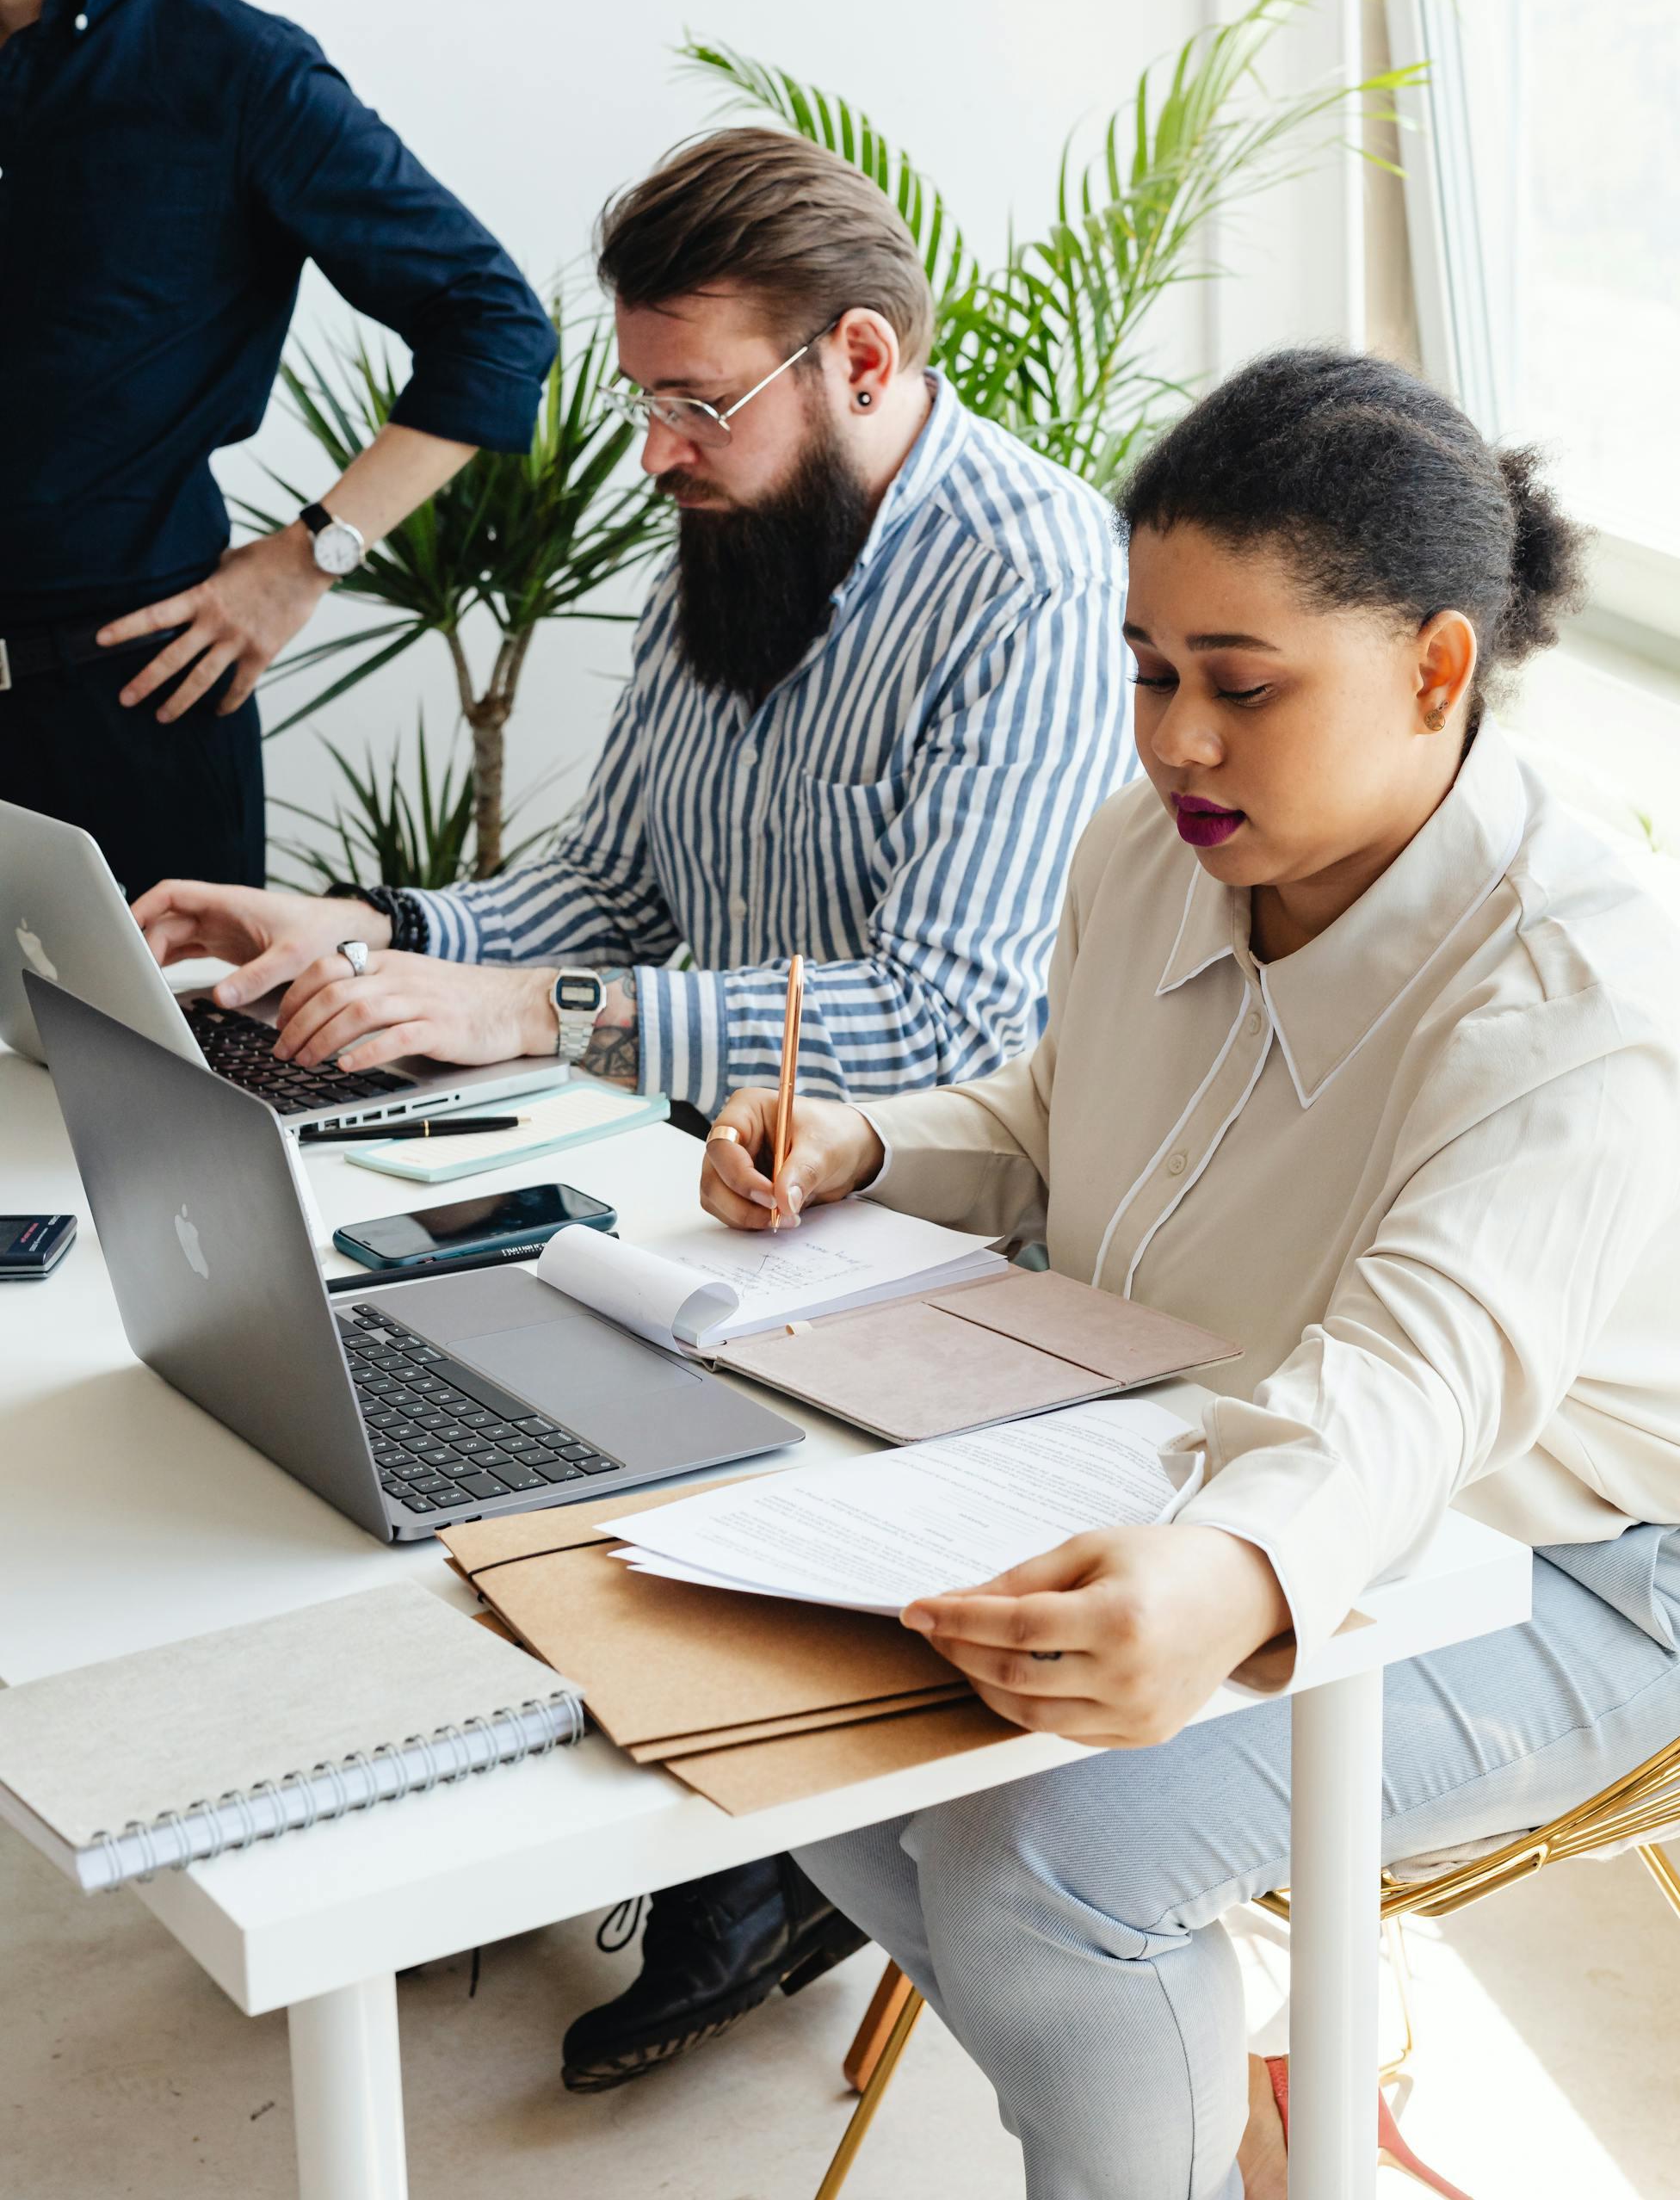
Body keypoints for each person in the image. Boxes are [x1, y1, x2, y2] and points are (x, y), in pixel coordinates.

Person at [695, 349, 1680, 2200]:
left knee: (1043, 1857)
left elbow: (1420, 1378)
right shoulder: (1149, 855)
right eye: (1149, 672)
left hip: (1607, 1565)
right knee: (791, 1723)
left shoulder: (1575, 991)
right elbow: (1058, 1118)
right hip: (1214, 1460)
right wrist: (866, 1145)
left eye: (1242, 686)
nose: (1176, 745)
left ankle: (1207, 2143)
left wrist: (1231, 1575)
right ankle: (1238, 2120)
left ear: (1438, 671)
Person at [133, 126, 1138, 2072]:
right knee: (352, 1327)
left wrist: (530, 1013)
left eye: (699, 404)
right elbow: (610, 884)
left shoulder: (1031, 586)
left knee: (455, 1354)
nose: (658, 454)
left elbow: (945, 1016)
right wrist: (375, 929)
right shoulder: (737, 537)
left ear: (861, 361)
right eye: (648, 401)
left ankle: (764, 1839)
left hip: (930, 1230)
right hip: (699, 1185)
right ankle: (489, 1790)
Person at [0, 0, 556, 895]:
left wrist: (311, 558)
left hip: (126, 720)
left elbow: (493, 324)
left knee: (139, 1037)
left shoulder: (236, 73)